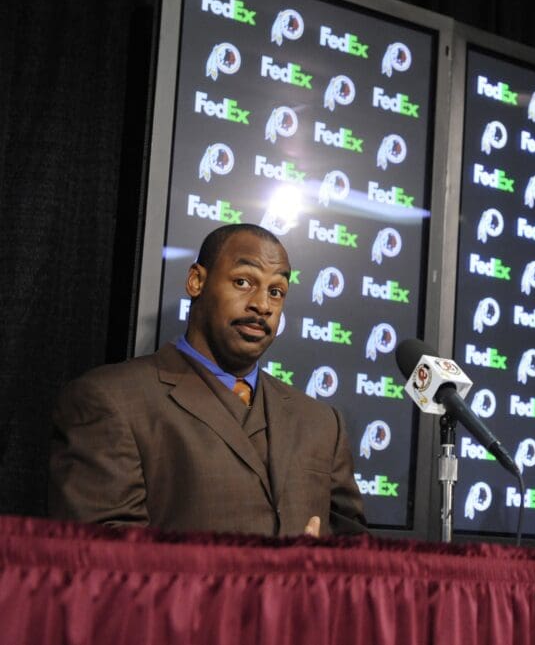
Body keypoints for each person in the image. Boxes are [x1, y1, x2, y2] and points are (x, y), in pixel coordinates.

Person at [49, 224, 367, 536]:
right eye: (243, 282)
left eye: (276, 291)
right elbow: (105, 561)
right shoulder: (110, 400)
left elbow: (355, 551)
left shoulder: (321, 423)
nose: (262, 305)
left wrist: (319, 569)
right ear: (196, 281)